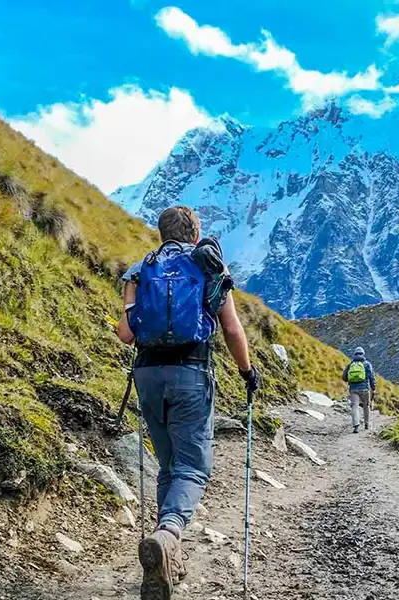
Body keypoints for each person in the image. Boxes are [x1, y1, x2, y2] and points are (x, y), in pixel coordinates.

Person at [116, 206, 261, 600]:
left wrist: (132, 297)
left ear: (161, 233)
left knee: (168, 465)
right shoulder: (207, 267)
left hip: (147, 376)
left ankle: (169, 560)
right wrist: (247, 372)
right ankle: (168, 534)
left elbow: (126, 335)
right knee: (194, 468)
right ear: (195, 234)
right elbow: (231, 328)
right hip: (190, 375)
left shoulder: (140, 270)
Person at [342, 347, 376, 434]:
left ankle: (356, 426)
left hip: (353, 389)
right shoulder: (367, 364)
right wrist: (373, 388)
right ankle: (366, 424)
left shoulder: (350, 365)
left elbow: (344, 378)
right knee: (366, 405)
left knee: (354, 406)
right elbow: (371, 377)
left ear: (355, 354)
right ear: (363, 354)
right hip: (364, 389)